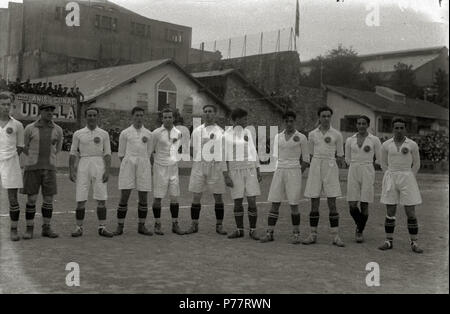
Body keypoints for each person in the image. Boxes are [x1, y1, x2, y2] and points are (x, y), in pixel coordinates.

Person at [260, 110, 310, 244]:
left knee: (294, 203)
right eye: (286, 121)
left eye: (291, 121)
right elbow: (275, 156)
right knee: (275, 202)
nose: (289, 123)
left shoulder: (302, 137)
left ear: (295, 121)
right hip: (280, 170)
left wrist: (298, 172)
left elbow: (306, 159)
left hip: (294, 171)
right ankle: (269, 233)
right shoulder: (277, 137)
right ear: (284, 122)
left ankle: (296, 234)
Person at [378, 117, 423, 253]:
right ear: (392, 129)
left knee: (410, 212)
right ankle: (388, 241)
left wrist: (410, 176)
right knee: (390, 210)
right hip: (391, 177)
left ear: (405, 129)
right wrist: (388, 175)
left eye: (401, 128)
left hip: (407, 177)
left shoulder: (412, 145)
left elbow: (416, 164)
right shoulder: (386, 145)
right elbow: (383, 163)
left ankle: (414, 242)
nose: (398, 130)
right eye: (396, 128)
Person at [303, 106, 345, 247]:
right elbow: (309, 155)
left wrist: (341, 168)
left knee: (332, 202)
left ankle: (335, 236)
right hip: (315, 166)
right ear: (319, 117)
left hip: (330, 167)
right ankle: (313, 234)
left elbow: (340, 156)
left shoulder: (337, 135)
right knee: (314, 201)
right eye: (323, 116)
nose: (326, 118)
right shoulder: (312, 134)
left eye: (328, 116)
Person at [21, 102, 64, 239]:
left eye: (52, 111)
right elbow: (24, 146)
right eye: (47, 111)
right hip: (32, 169)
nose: (50, 113)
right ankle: (29, 229)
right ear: (40, 112)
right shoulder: (29, 128)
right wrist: (34, 158)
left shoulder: (58, 130)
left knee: (48, 200)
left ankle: (46, 228)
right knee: (32, 199)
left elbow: (58, 148)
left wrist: (48, 160)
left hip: (49, 169)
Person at [69, 108, 114, 238]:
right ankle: (78, 227)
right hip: (83, 164)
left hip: (99, 164)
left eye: (94, 115)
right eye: (89, 115)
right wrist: (72, 170)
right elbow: (73, 152)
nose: (92, 117)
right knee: (81, 197)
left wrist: (107, 170)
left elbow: (107, 153)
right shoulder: (78, 133)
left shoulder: (104, 134)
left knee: (101, 197)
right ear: (85, 117)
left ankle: (102, 227)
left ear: (97, 117)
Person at [185, 104, 228, 235]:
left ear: (215, 114)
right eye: (205, 112)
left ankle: (219, 225)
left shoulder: (221, 132)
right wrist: (200, 158)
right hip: (199, 167)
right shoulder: (197, 131)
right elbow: (191, 148)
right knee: (196, 196)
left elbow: (224, 153)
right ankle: (194, 224)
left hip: (215, 167)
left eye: (210, 111)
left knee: (218, 197)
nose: (208, 114)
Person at [113, 107, 154, 236]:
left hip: (143, 164)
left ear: (144, 117)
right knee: (124, 195)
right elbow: (121, 153)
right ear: (132, 116)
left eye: (141, 115)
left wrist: (144, 164)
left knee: (143, 196)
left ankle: (141, 226)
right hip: (128, 164)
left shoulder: (148, 133)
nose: (139, 117)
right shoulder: (125, 133)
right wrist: (129, 163)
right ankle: (120, 226)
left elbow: (149, 153)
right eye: (137, 115)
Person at [224, 108, 262, 240]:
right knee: (238, 202)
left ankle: (253, 230)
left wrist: (258, 169)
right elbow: (223, 157)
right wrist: (226, 175)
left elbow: (253, 151)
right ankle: (239, 230)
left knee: (252, 200)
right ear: (236, 120)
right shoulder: (226, 135)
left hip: (250, 170)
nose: (246, 121)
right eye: (243, 119)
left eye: (246, 119)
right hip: (235, 171)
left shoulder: (247, 132)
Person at [345, 115, 382, 243]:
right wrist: (355, 165)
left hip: (367, 169)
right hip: (354, 169)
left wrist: (369, 166)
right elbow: (347, 158)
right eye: (359, 123)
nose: (361, 126)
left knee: (364, 202)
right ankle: (360, 224)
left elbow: (379, 158)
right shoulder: (350, 140)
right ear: (356, 125)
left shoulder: (374, 140)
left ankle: (359, 230)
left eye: (364, 123)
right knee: (352, 204)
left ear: (368, 125)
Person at [150, 107, 184, 235]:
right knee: (158, 197)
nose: (168, 119)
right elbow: (150, 152)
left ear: (173, 118)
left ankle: (175, 224)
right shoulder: (156, 133)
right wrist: (155, 166)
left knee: (174, 197)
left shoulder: (179, 133)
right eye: (165, 117)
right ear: (162, 119)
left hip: (173, 169)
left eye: (170, 117)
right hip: (160, 168)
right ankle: (157, 224)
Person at [0, 91, 25, 241]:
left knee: (13, 199)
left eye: (8, 104)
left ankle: (13, 230)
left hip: (11, 163)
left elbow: (20, 146)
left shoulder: (18, 125)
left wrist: (8, 158)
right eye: (2, 104)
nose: (5, 107)